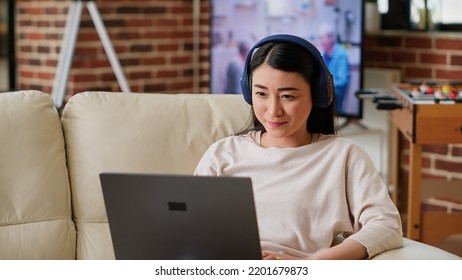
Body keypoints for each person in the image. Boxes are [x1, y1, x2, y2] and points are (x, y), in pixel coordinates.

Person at [194, 34, 403, 260]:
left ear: (318, 94)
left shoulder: (343, 156)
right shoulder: (222, 153)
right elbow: (188, 223)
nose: (273, 110)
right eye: (261, 94)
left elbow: (387, 225)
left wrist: (311, 265)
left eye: (287, 96)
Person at [318, 23, 350, 113]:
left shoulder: (341, 54)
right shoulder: (323, 55)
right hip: (325, 93)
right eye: (319, 38)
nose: (320, 41)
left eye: (321, 38)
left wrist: (324, 86)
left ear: (331, 38)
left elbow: (342, 81)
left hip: (336, 95)